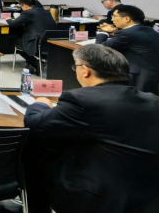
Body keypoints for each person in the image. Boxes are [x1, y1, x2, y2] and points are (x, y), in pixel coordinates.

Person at [23, 44, 159, 213]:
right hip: (148, 194)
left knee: (35, 149)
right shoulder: (153, 100)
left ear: (85, 71)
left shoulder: (82, 99)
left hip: (98, 195)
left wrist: (41, 103)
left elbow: (35, 122)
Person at [96, 5, 159, 94]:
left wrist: (103, 32)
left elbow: (99, 48)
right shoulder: (148, 29)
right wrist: (115, 31)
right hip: (152, 72)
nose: (112, 19)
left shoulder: (125, 34)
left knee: (136, 99)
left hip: (138, 75)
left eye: (114, 16)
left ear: (126, 19)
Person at [6, 0, 57, 75]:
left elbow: (13, 23)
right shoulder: (47, 12)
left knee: (12, 40)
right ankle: (34, 62)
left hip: (36, 43)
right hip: (50, 44)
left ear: (25, 6)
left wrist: (8, 19)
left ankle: (35, 62)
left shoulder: (28, 12)